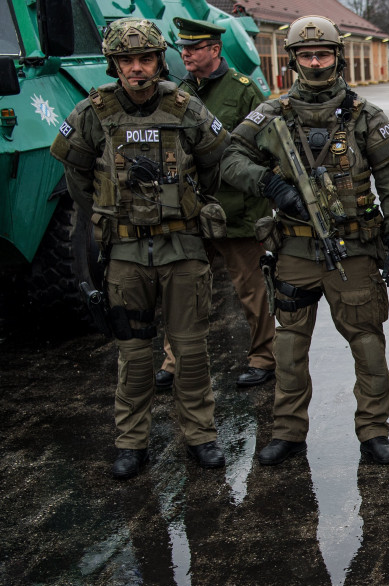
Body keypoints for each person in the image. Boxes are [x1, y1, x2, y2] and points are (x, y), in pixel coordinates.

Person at [221, 16, 389, 466]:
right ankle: (288, 432)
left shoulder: (367, 116)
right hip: (294, 250)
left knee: (366, 343)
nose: (316, 62)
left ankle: (373, 432)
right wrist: (273, 187)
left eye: (323, 54)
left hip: (355, 249)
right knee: (288, 349)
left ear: (337, 57)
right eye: (307, 55)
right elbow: (229, 158)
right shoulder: (273, 113)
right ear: (293, 60)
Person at [50, 18, 229, 478]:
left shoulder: (185, 107)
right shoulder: (93, 111)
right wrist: (110, 215)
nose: (136, 68)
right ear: (114, 64)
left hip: (183, 248)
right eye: (127, 60)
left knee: (190, 353)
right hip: (126, 254)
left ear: (159, 60)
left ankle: (201, 437)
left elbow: (213, 164)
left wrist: (188, 207)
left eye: (145, 58)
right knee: (133, 356)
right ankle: (132, 443)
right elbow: (77, 175)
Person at [155, 18, 275, 391]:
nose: (185, 54)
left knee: (250, 288)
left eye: (193, 48)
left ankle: (263, 358)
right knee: (184, 286)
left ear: (215, 50)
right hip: (190, 207)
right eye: (182, 48)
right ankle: (174, 360)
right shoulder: (181, 90)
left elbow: (264, 148)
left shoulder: (242, 90)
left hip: (236, 208)